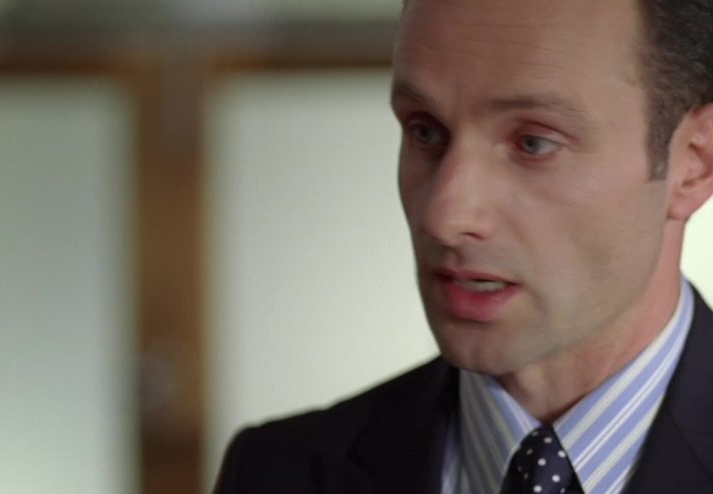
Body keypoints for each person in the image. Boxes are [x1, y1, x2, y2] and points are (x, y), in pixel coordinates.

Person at [215, 0, 713, 492]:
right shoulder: (273, 474)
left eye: (533, 143)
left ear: (695, 163)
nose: (444, 218)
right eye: (425, 131)